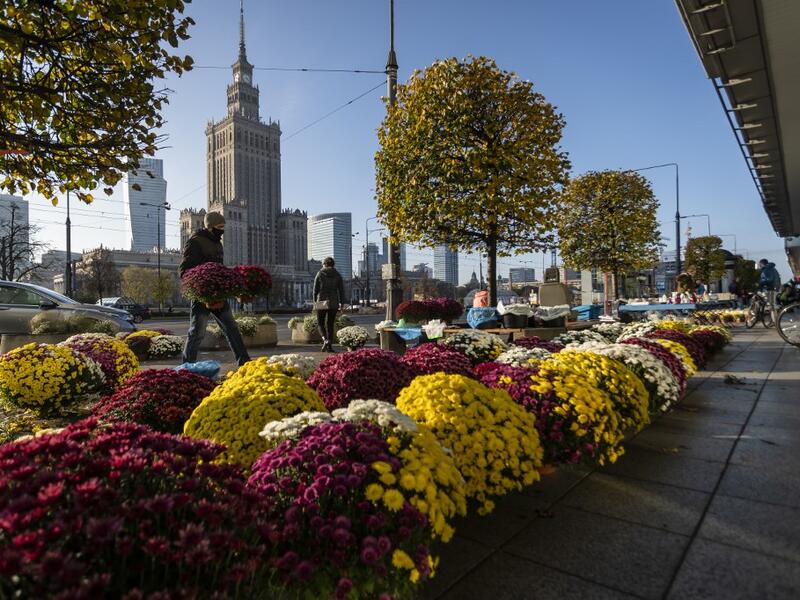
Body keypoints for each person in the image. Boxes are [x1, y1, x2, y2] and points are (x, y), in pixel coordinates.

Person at [179, 211, 250, 366]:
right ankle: (187, 367)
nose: (222, 230)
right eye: (219, 227)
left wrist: (232, 286)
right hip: (202, 296)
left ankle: (245, 363)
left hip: (219, 295)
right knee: (197, 332)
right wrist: (202, 288)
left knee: (232, 329)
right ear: (210, 227)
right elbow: (185, 270)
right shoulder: (195, 241)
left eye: (223, 226)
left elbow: (219, 268)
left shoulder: (218, 243)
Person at [313, 256, 345, 352]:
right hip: (333, 302)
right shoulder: (337, 275)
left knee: (320, 323)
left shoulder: (320, 273)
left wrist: (315, 302)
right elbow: (341, 290)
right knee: (330, 324)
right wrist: (342, 303)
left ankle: (325, 340)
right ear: (333, 265)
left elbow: (315, 290)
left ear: (325, 264)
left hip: (321, 301)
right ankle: (329, 346)